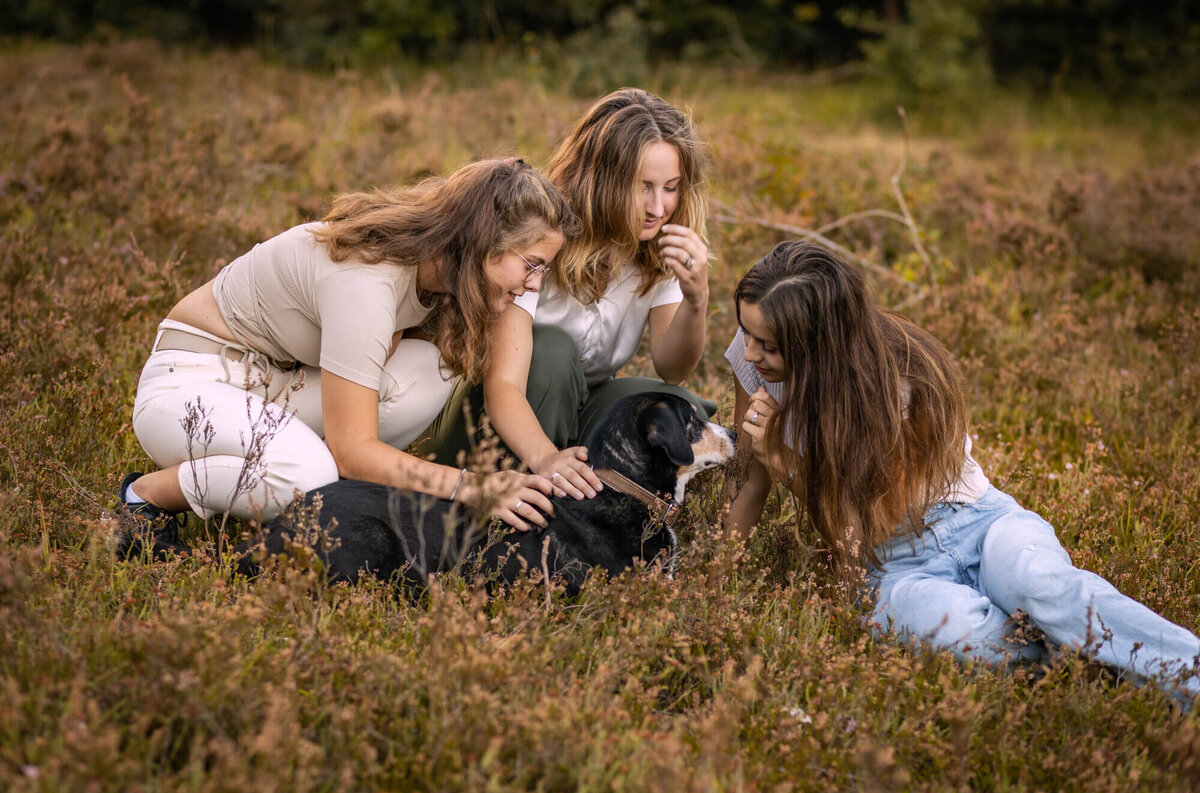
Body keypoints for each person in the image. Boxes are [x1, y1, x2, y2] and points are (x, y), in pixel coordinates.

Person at [723, 240, 1200, 702]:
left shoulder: (901, 380)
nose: (749, 354)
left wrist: (786, 462)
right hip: (891, 567)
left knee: (1041, 586)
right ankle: (1086, 655)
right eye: (746, 333)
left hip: (979, 521)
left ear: (820, 344)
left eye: (768, 345)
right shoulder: (758, 367)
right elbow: (751, 481)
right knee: (962, 636)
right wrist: (718, 579)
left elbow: (868, 520)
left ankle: (1187, 675)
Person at [115, 158, 580, 556]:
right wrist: (472, 487)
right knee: (312, 475)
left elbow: (501, 382)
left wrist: (545, 458)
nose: (536, 284)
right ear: (483, 242)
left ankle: (278, 471)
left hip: (275, 385)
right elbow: (354, 452)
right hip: (189, 388)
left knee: (428, 369)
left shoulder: (434, 267)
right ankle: (143, 497)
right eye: (532, 264)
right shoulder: (368, 281)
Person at [426, 88, 715, 501]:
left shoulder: (661, 248)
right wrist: (547, 458)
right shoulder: (544, 234)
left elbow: (672, 368)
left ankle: (595, 504)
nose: (658, 206)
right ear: (603, 180)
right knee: (552, 352)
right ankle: (521, 514)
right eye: (643, 187)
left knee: (679, 405)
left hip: (576, 411)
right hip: (488, 417)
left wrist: (696, 298)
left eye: (671, 187)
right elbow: (503, 385)